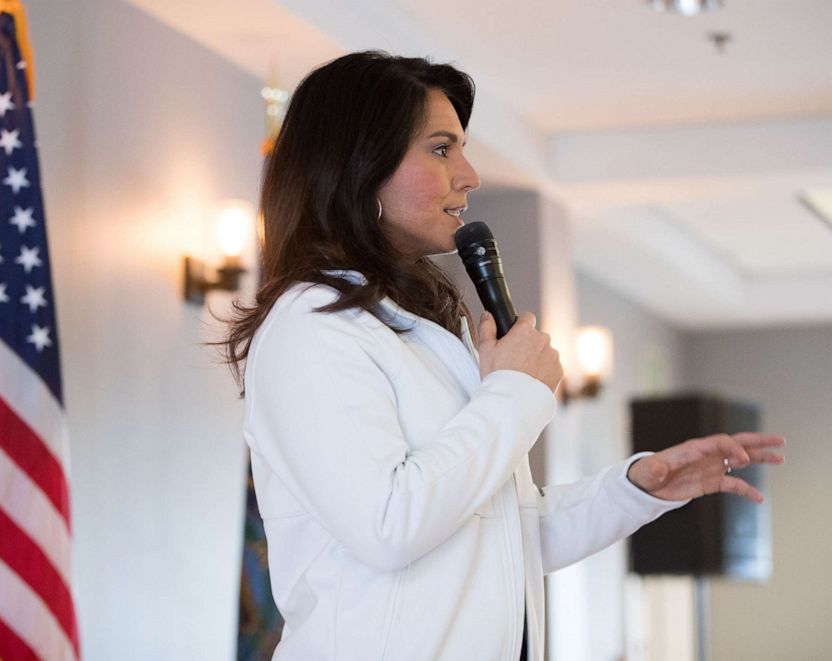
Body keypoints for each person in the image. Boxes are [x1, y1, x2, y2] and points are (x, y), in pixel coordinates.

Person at [221, 51, 785, 661]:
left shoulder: (417, 332)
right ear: (359, 166)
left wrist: (635, 489)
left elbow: (497, 540)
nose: (470, 174)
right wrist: (514, 394)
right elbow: (389, 525)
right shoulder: (312, 325)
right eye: (441, 149)